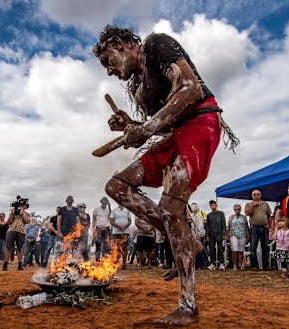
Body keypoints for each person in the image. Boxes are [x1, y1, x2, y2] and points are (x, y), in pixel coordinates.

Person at [93, 25, 238, 325]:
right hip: (173, 134)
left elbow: (190, 90)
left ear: (120, 44)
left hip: (201, 122)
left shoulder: (157, 44)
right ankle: (187, 241)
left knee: (172, 208)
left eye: (108, 61)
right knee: (117, 186)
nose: (110, 72)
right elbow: (160, 123)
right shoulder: (138, 86)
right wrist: (131, 124)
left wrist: (143, 128)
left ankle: (188, 306)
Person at [244, 190, 272, 270]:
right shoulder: (248, 204)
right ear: (252, 195)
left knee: (265, 247)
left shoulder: (265, 204)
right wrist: (253, 206)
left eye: (258, 194)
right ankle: (254, 265)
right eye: (254, 194)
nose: (256, 196)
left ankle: (265, 265)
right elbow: (246, 213)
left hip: (264, 228)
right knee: (253, 247)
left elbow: (269, 215)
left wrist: (269, 225)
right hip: (254, 228)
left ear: (260, 195)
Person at [3, 202, 30, 271]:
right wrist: (11, 214)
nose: (22, 207)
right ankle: (5, 265)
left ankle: (20, 265)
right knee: (8, 248)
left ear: (25, 207)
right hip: (11, 230)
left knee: (19, 248)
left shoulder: (27, 214)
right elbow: (8, 222)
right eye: (21, 205)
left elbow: (27, 221)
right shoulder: (13, 212)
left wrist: (22, 214)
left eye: (23, 206)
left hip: (21, 231)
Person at [109, 204, 132, 269]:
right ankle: (115, 263)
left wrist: (124, 227)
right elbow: (111, 221)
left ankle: (124, 264)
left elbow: (130, 221)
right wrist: (118, 226)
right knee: (116, 248)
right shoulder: (114, 210)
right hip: (116, 232)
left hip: (125, 232)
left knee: (125, 248)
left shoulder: (127, 210)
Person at [227, 204, 249, 270]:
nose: (237, 210)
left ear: (240, 209)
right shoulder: (231, 217)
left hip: (243, 235)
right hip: (233, 235)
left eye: (238, 209)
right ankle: (234, 264)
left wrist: (248, 236)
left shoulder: (244, 217)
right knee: (234, 250)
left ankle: (240, 264)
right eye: (235, 209)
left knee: (241, 250)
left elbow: (247, 227)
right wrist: (227, 235)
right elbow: (228, 227)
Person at [206, 200, 226, 270]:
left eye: (214, 205)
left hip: (219, 234)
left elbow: (223, 224)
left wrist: (224, 233)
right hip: (211, 234)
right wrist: (207, 235)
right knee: (211, 249)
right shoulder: (209, 215)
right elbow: (207, 226)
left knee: (220, 249)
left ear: (216, 205)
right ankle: (212, 263)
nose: (212, 206)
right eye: (211, 205)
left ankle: (221, 263)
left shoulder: (221, 214)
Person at [189, 203, 206, 269]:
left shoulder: (198, 216)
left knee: (200, 250)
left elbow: (200, 227)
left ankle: (201, 264)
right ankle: (197, 264)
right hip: (194, 235)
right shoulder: (193, 216)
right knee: (195, 250)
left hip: (198, 235)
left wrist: (199, 235)